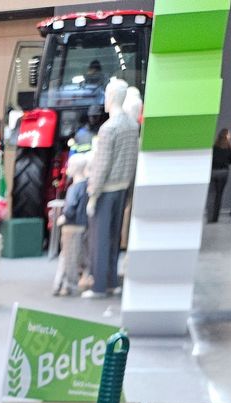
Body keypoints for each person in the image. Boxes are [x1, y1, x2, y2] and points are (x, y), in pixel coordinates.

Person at [84, 78, 139, 297]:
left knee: (99, 239)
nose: (105, 99)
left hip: (106, 190)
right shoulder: (132, 126)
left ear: (112, 97)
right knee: (114, 237)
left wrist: (93, 193)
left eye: (107, 94)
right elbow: (132, 160)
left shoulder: (109, 128)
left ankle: (98, 286)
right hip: (123, 187)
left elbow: (102, 164)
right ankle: (112, 282)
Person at [53, 153, 90, 296]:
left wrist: (63, 218)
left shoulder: (74, 189)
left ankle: (69, 286)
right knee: (75, 255)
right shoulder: (87, 186)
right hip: (83, 225)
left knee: (69, 258)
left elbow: (70, 209)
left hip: (71, 226)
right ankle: (59, 285)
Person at [207, 128, 231, 223]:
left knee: (211, 195)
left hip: (213, 172)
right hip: (223, 172)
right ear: (226, 136)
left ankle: (210, 217)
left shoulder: (214, 147)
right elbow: (230, 161)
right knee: (219, 195)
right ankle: (215, 217)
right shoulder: (229, 148)